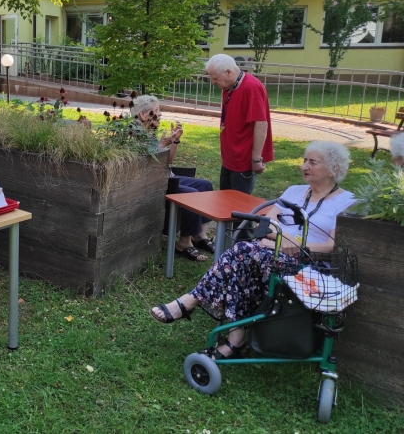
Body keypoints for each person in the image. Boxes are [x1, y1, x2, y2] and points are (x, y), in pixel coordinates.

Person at [149, 141, 355, 359]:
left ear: (335, 168)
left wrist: (295, 244)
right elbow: (263, 225)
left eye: (313, 162)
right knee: (243, 259)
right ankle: (233, 339)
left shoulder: (346, 202)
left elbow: (335, 246)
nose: (305, 166)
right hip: (270, 255)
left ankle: (194, 303)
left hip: (311, 266)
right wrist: (282, 238)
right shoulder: (295, 192)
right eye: (304, 160)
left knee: (242, 253)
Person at [131, 95, 214, 261]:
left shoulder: (149, 130)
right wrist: (162, 145)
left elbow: (167, 162)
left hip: (166, 175)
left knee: (206, 186)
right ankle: (184, 243)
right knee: (191, 194)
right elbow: (145, 164)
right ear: (142, 115)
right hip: (155, 182)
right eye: (156, 111)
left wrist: (174, 142)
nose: (160, 114)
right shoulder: (134, 133)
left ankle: (199, 235)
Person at [205, 54, 274, 195]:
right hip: (230, 158)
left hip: (243, 160)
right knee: (224, 200)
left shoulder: (251, 87)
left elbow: (261, 124)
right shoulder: (229, 86)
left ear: (228, 72)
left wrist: (256, 159)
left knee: (238, 204)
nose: (213, 82)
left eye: (215, 78)